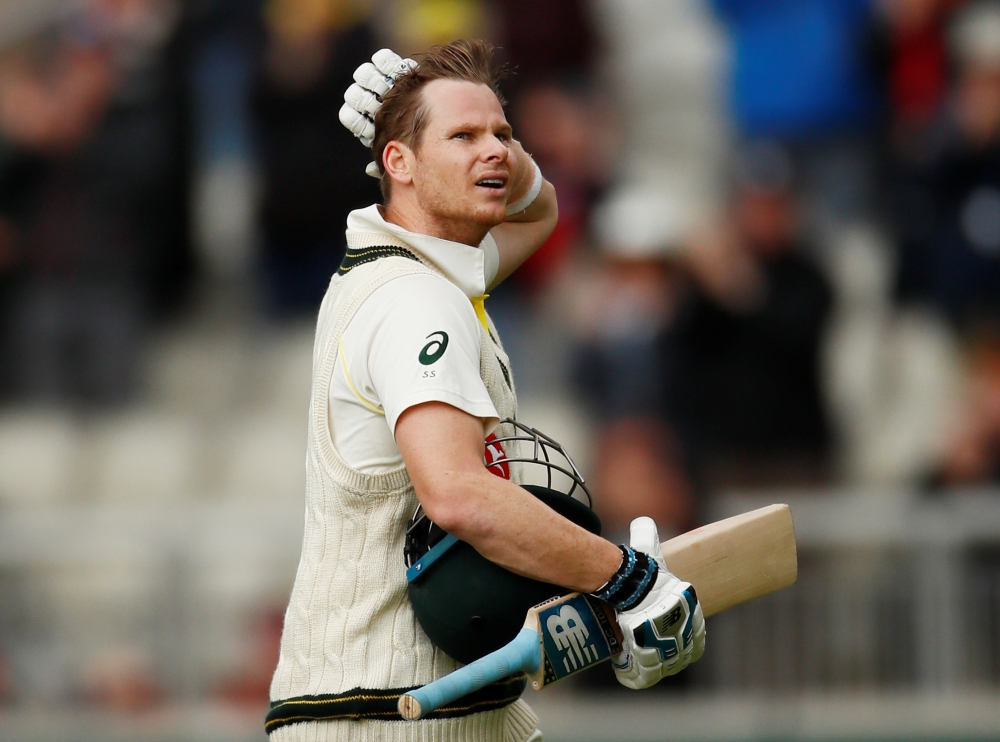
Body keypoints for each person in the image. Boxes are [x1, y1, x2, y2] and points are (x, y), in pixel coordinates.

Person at [265, 40, 705, 741]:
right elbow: (459, 494)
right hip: (386, 712)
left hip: (418, 705)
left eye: (503, 132)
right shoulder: (416, 300)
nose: (495, 151)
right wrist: (625, 578)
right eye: (463, 136)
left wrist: (446, 109)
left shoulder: (423, 270)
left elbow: (540, 211)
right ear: (398, 165)